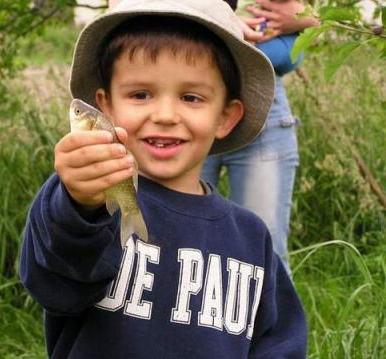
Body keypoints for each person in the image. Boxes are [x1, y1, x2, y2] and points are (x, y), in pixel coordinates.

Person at [19, 0, 307, 358]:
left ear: (225, 117)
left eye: (191, 97)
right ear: (105, 107)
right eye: (140, 95)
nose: (166, 114)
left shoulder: (251, 237)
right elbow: (52, 283)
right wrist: (78, 203)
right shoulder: (88, 207)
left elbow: (278, 342)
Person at [201, 0, 319, 276]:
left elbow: (299, 46)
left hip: (262, 104)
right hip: (185, 103)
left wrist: (306, 19)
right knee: (174, 243)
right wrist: (220, 22)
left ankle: (270, 319)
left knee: (265, 255)